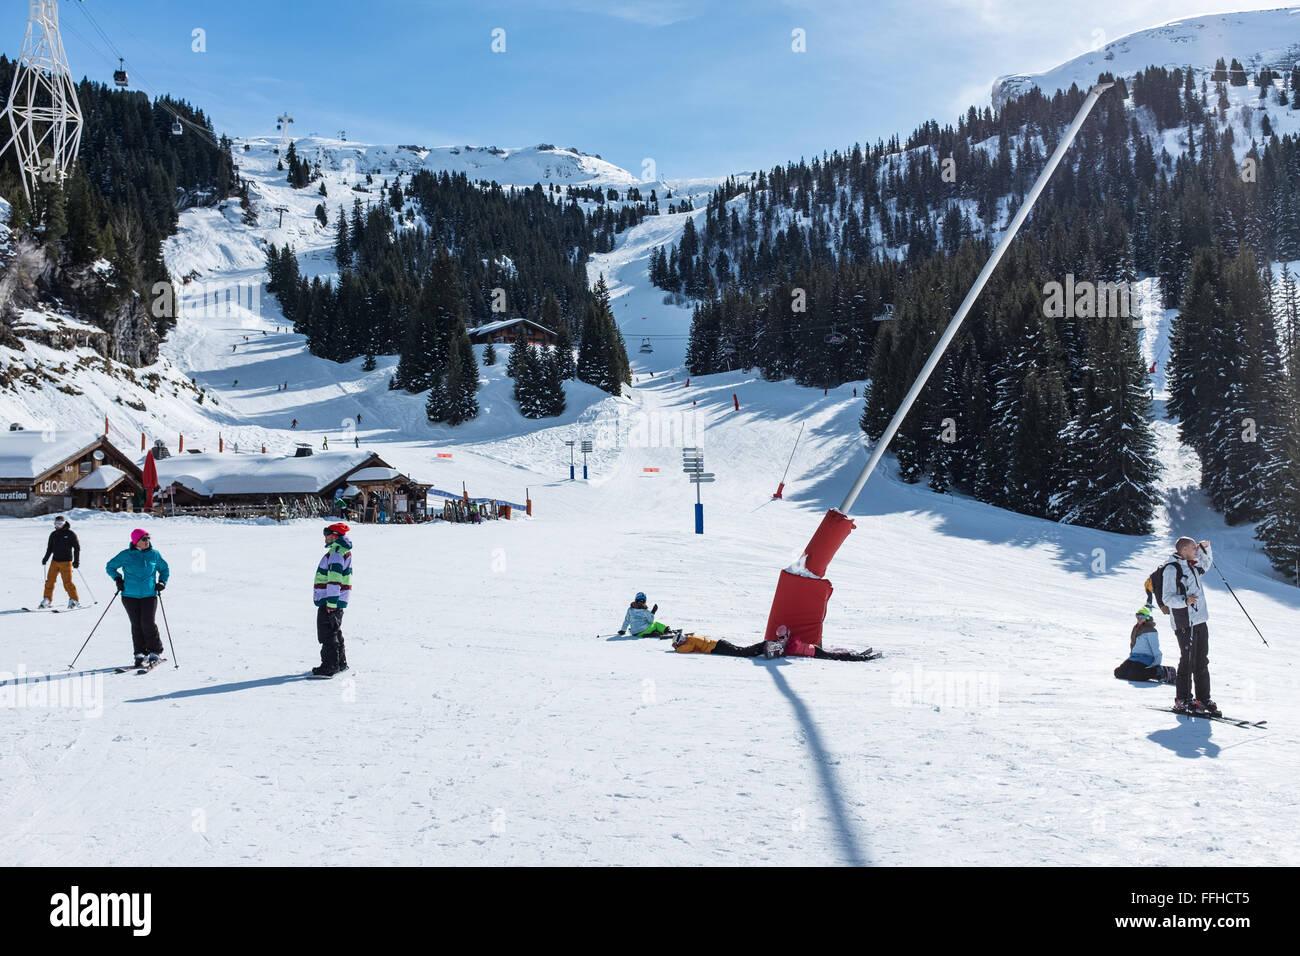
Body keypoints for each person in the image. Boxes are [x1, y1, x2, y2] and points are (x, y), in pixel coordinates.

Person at [1162, 536, 1218, 716]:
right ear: (1184, 550)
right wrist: (1185, 601)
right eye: (1194, 548)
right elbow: (1167, 598)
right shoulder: (1172, 569)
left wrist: (1206, 549)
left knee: (1202, 660)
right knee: (1188, 660)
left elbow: (1206, 564)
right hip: (1184, 622)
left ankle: (1202, 699)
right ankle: (1183, 699)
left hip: (1200, 619)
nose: (1196, 550)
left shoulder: (1192, 565)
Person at [104, 529, 170, 669]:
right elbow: (110, 566)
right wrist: (117, 579)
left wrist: (162, 582)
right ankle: (140, 653)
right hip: (129, 595)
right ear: (136, 541)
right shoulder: (126, 555)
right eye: (144, 539)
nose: (147, 541)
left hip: (149, 595)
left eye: (148, 538)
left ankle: (155, 652)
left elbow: (164, 569)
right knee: (136, 624)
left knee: (148, 623)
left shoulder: (154, 554)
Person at [673, 624, 876, 662]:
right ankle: (853, 654)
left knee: (834, 656)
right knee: (834, 653)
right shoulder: (790, 640)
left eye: (782, 637)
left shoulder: (792, 642)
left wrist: (775, 648)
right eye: (779, 638)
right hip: (813, 650)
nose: (781, 640)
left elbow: (790, 650)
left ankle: (858, 658)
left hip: (814, 652)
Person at [312, 523, 353, 677]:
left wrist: (331, 602)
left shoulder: (336, 553)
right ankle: (340, 662)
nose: (325, 537)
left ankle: (329, 666)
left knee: (327, 633)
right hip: (335, 600)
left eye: (327, 533)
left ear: (335, 535)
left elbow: (335, 580)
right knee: (334, 630)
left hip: (330, 601)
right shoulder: (340, 550)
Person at [1114, 607, 1176, 683]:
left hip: (1146, 658)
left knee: (1133, 676)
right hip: (1134, 657)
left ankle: (1160, 671)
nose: (1139, 619)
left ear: (1147, 618)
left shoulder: (1151, 631)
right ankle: (1139, 671)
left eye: (1142, 617)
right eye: (1138, 617)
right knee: (1119, 673)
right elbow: (1133, 643)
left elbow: (1155, 647)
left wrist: (1156, 663)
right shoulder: (1136, 628)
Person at [39, 515, 81, 609]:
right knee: (49, 581)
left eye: (60, 524)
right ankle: (47, 600)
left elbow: (77, 548)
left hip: (66, 562)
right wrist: (46, 558)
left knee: (67, 582)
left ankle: (74, 600)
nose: (57, 525)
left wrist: (76, 561)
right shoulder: (53, 534)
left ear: (64, 523)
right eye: (56, 523)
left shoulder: (70, 534)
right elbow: (50, 548)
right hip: (54, 562)